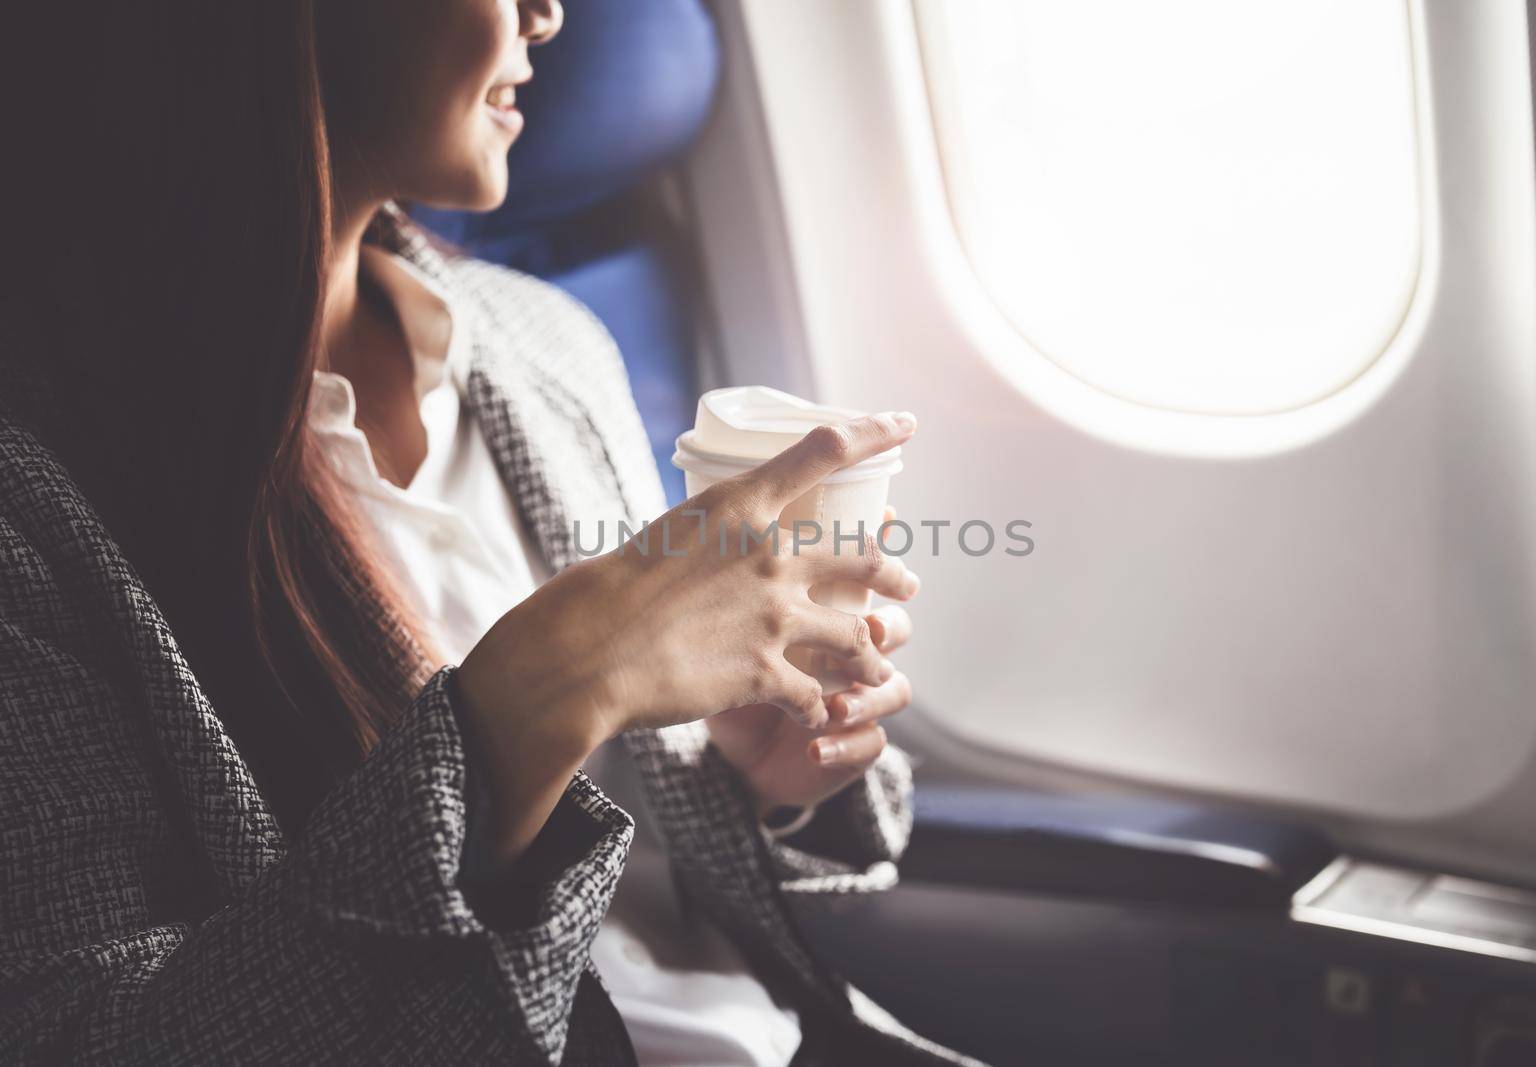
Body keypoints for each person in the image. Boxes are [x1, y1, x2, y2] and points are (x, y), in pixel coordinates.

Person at [0, 2, 980, 1064]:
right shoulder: (37, 497)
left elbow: (641, 850)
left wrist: (759, 777)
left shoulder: (543, 338)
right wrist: (527, 702)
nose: (547, 13)